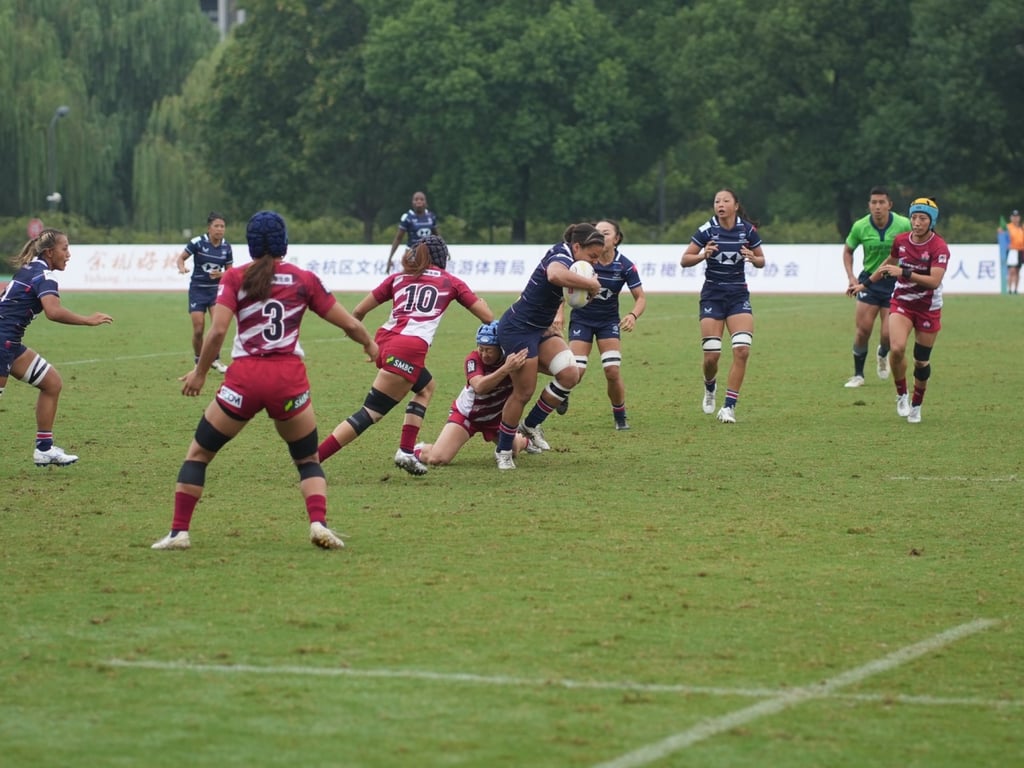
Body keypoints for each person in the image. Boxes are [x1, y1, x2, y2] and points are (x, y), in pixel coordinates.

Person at [151, 211, 377, 551]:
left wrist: (200, 372)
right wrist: (370, 344)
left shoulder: (234, 277)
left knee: (198, 454)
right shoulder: (304, 279)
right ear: (284, 242)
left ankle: (179, 533)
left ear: (251, 244)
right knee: (307, 460)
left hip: (244, 381)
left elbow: (218, 331)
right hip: (288, 382)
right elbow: (349, 324)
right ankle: (318, 523)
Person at [318, 235, 494, 476]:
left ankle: (406, 451)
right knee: (370, 413)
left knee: (426, 387)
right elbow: (487, 318)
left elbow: (358, 311)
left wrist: (363, 342)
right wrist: (483, 304)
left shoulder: (398, 278)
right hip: (408, 350)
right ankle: (313, 460)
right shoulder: (450, 281)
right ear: (442, 258)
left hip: (384, 345)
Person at [492, 223, 604, 470]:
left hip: (541, 330)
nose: (595, 263)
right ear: (577, 247)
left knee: (570, 374)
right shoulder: (561, 254)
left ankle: (530, 425)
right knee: (523, 392)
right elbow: (554, 275)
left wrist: (586, 293)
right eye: (592, 256)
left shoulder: (573, 261)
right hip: (518, 329)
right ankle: (503, 450)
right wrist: (591, 285)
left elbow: (572, 298)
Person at [0, 229, 114, 466]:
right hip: (3, 343)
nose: (69, 254)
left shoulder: (30, 268)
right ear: (50, 252)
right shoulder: (44, 275)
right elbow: (53, 311)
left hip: (11, 344)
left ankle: (44, 449)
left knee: (51, 383)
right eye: (65, 248)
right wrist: (88, 320)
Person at [847, 197, 949, 423]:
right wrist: (864, 285)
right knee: (897, 348)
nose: (917, 222)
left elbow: (934, 281)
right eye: (914, 217)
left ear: (931, 221)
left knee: (921, 362)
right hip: (902, 302)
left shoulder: (939, 247)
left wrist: (904, 272)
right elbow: (888, 264)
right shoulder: (901, 240)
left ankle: (917, 405)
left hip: (928, 308)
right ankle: (902, 394)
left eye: (922, 218)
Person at [680, 188, 766, 424]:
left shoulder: (747, 230)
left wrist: (753, 258)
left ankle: (729, 407)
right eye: (717, 201)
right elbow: (685, 260)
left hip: (738, 295)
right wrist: (703, 255)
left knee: (742, 350)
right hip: (713, 296)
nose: (720, 204)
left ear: (735, 206)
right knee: (712, 356)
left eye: (726, 200)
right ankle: (710, 386)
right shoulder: (706, 230)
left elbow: (761, 260)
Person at [561, 219, 646, 430]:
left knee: (612, 371)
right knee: (576, 372)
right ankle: (562, 392)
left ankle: (620, 416)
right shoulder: (583, 263)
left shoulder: (625, 265)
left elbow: (641, 298)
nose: (601, 236)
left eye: (606, 233)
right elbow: (563, 288)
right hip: (582, 319)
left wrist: (633, 315)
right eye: (597, 232)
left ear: (617, 239)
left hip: (608, 322)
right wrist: (559, 314)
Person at [413, 322, 535, 466]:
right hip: (468, 415)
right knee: (437, 459)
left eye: (489, 350)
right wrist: (505, 369)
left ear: (501, 348)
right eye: (481, 348)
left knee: (513, 451)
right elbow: (479, 387)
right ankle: (414, 451)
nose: (484, 354)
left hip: (496, 418)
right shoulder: (473, 359)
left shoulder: (513, 361)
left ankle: (524, 441)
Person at [841, 186, 912, 387]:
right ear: (869, 205)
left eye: (882, 202)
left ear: (890, 205)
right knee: (863, 330)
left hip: (894, 283)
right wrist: (851, 277)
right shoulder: (860, 226)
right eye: (874, 202)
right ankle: (858, 375)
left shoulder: (903, 224)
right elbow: (848, 251)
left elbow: (915, 244)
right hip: (869, 283)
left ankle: (882, 353)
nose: (877, 206)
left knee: (888, 335)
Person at [178, 212, 233, 374]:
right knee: (198, 329)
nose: (220, 229)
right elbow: (181, 258)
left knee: (218, 328)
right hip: (198, 290)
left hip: (216, 291)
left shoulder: (226, 247)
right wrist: (182, 268)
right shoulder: (197, 242)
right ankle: (198, 361)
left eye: (222, 226)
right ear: (209, 228)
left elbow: (230, 272)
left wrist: (221, 274)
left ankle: (215, 359)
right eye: (216, 226)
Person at [386, 191, 438, 272]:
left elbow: (437, 236)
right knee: (409, 276)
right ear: (412, 202)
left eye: (421, 199)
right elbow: (398, 238)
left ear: (426, 202)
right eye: (416, 199)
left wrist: (444, 251)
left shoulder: (431, 216)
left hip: (427, 254)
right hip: (411, 253)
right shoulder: (408, 217)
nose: (419, 201)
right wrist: (390, 258)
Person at [1006, 209, 1023, 295]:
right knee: (1011, 270)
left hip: (1020, 250)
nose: (1015, 218)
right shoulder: (1007, 227)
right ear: (1011, 218)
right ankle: (1009, 289)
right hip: (1012, 250)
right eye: (1014, 216)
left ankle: (1015, 289)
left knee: (1017, 270)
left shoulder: (1022, 227)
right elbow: (1003, 237)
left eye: (1017, 216)